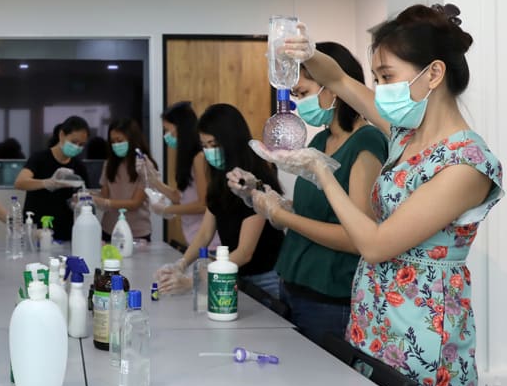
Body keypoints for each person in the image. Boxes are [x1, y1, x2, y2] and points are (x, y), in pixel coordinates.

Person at [267, 4, 502, 386]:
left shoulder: (466, 162)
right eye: (376, 78)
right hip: (373, 314)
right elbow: (338, 78)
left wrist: (322, 173)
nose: (379, 88)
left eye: (387, 77)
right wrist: (307, 54)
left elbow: (376, 245)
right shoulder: (404, 136)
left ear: (433, 73)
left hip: (423, 330)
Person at [228, 42, 388, 346]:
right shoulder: (320, 142)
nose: (299, 104)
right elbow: (310, 209)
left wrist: (283, 216)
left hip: (329, 296)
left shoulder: (367, 142)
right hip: (292, 285)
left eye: (302, 93)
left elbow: (356, 237)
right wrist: (258, 195)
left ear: (334, 88)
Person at [155, 104, 284, 298]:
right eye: (205, 146)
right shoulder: (220, 177)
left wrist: (193, 281)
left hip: (265, 278)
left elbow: (244, 252)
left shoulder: (255, 180)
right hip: (235, 274)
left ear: (231, 141)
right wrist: (180, 264)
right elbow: (205, 233)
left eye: (214, 145)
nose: (209, 152)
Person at [146, 101, 218, 247]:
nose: (166, 136)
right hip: (193, 238)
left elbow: (203, 205)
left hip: (209, 242)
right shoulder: (188, 159)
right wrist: (154, 181)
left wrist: (166, 209)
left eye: (168, 130)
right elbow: (179, 197)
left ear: (181, 129)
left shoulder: (200, 158)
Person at [14, 116, 90, 241]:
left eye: (81, 144)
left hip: (67, 233)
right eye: (73, 142)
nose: (77, 147)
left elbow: (85, 195)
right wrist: (47, 183)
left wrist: (77, 203)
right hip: (39, 231)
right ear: (62, 135)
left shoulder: (79, 166)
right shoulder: (40, 158)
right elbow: (20, 183)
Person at [95, 119, 155, 242]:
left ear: (132, 139)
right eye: (113, 142)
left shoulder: (143, 164)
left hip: (137, 233)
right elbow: (104, 196)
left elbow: (135, 203)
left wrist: (106, 202)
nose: (116, 145)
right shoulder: (109, 164)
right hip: (109, 230)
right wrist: (88, 197)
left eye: (120, 140)